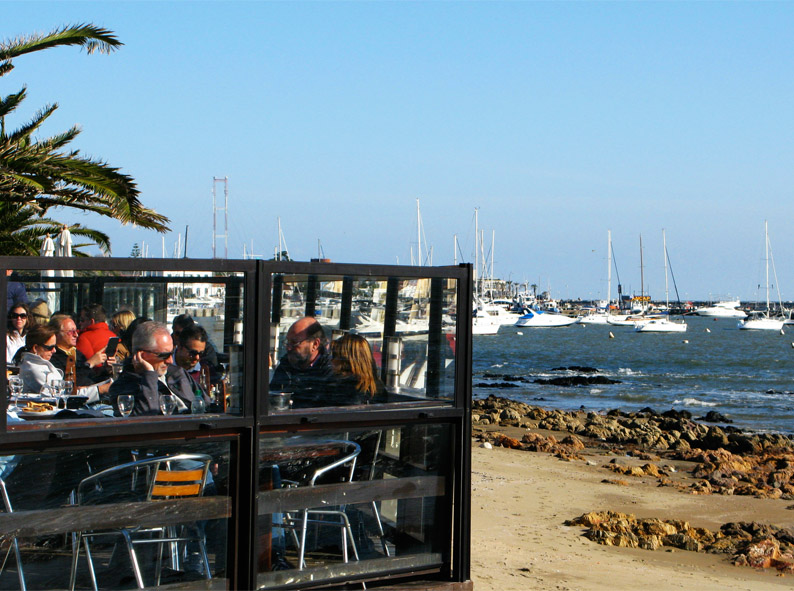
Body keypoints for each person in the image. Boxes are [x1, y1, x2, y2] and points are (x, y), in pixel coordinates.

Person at [107, 321, 210, 416]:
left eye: (171, 354)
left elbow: (206, 403)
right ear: (142, 356)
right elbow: (146, 418)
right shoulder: (123, 386)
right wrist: (149, 375)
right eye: (164, 356)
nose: (170, 360)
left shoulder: (177, 373)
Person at [269, 317, 333, 408]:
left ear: (315, 344)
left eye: (294, 342)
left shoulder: (330, 371)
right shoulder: (286, 365)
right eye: (287, 342)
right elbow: (273, 396)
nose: (288, 347)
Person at [48, 314, 111, 401]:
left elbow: (91, 378)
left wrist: (106, 370)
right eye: (71, 331)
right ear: (56, 334)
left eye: (76, 330)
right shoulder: (53, 356)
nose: (76, 335)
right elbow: (69, 384)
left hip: (95, 399)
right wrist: (89, 363)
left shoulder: (77, 353)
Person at [328, 334, 386, 405]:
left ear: (347, 360)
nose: (332, 360)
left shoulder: (340, 389)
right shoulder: (376, 387)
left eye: (335, 355)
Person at [18, 324, 63, 392]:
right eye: (50, 348)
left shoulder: (38, 363)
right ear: (35, 348)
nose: (54, 351)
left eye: (55, 347)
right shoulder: (32, 368)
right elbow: (53, 393)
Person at [174, 324, 210, 394]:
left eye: (201, 353)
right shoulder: (164, 365)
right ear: (180, 346)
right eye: (193, 352)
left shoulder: (205, 370)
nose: (197, 357)